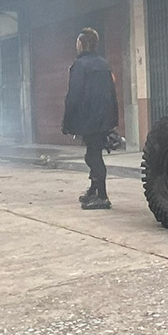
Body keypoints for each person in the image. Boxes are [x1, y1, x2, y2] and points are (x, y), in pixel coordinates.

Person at [62, 27, 119, 210]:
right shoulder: (104, 64)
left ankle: (102, 196)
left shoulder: (80, 66)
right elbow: (112, 93)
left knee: (94, 157)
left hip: (89, 118)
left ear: (81, 43)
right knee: (92, 154)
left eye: (77, 42)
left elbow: (74, 96)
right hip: (104, 117)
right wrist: (113, 120)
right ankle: (93, 191)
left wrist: (67, 121)